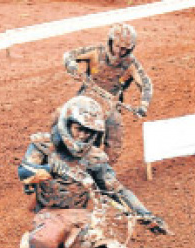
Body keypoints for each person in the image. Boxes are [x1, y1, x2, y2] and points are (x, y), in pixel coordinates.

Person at [1, 95, 167, 248]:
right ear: (67, 124)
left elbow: (116, 188)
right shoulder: (44, 146)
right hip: (50, 212)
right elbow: (25, 170)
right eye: (79, 129)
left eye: (89, 132)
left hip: (82, 216)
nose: (82, 136)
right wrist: (47, 169)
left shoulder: (95, 159)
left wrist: (146, 214)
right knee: (48, 239)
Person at [62, 22, 153, 163]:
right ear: (110, 41)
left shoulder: (130, 64)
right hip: (87, 98)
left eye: (125, 49)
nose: (120, 52)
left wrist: (143, 105)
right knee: (73, 129)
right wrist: (72, 66)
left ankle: (103, 171)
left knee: (115, 141)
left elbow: (146, 84)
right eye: (117, 46)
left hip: (110, 104)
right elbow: (69, 55)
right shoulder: (96, 52)